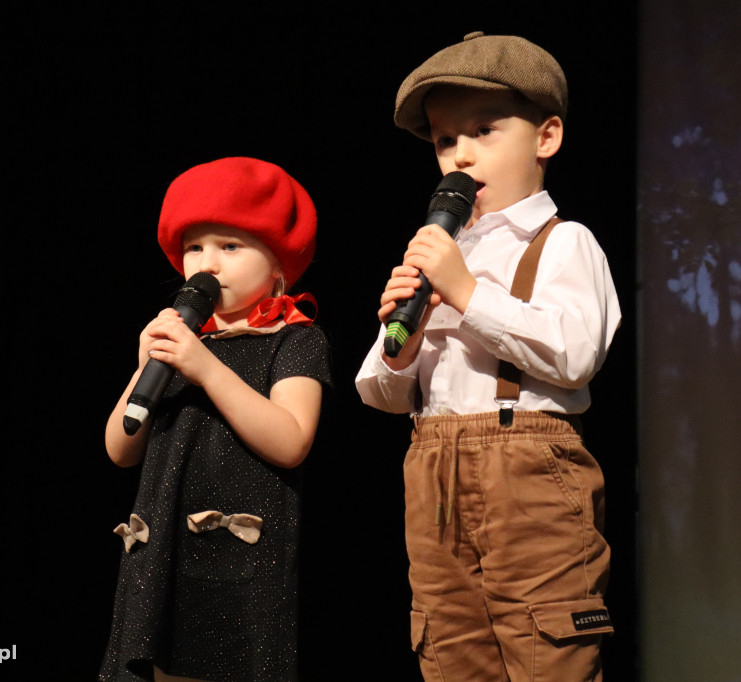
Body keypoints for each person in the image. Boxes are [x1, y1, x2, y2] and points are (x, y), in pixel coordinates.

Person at [355, 32, 621, 681]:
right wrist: (403, 344)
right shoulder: (441, 249)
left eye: (484, 130)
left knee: (544, 643)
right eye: (446, 141)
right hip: (434, 472)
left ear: (546, 137)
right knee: (447, 644)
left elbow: (575, 352)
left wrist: (467, 295)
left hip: (529, 477)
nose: (461, 155)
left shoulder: (565, 244)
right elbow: (380, 393)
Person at [99, 157, 332, 682]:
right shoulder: (181, 344)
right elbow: (120, 447)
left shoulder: (295, 340)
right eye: (194, 247)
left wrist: (205, 369)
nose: (208, 264)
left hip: (239, 568)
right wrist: (145, 368)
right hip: (161, 559)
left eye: (230, 246)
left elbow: (292, 440)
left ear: (278, 264)